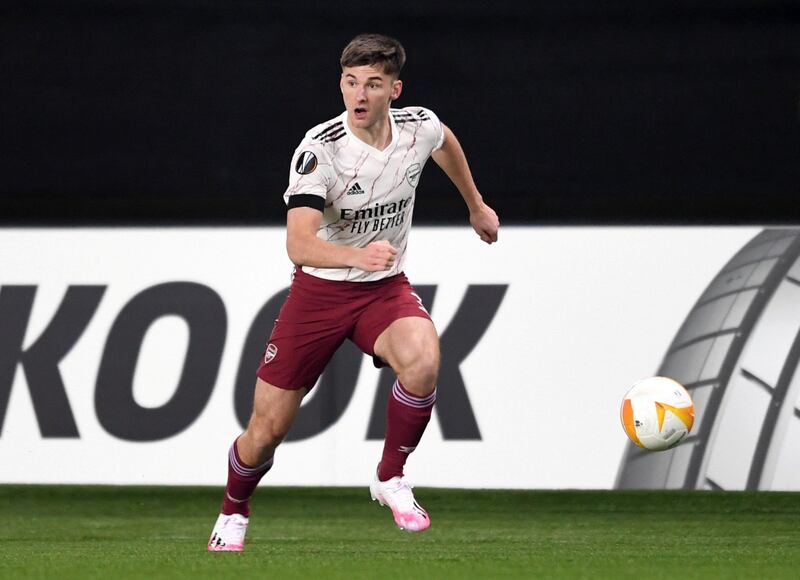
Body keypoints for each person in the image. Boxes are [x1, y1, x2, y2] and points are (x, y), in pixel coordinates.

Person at [208, 33, 499, 551]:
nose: (359, 95)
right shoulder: (320, 151)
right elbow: (298, 244)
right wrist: (353, 256)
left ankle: (390, 477)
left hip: (382, 291)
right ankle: (233, 510)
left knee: (425, 358)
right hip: (318, 296)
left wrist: (475, 205)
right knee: (266, 431)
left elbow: (445, 141)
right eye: (350, 82)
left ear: (394, 89)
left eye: (372, 83)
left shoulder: (417, 126)